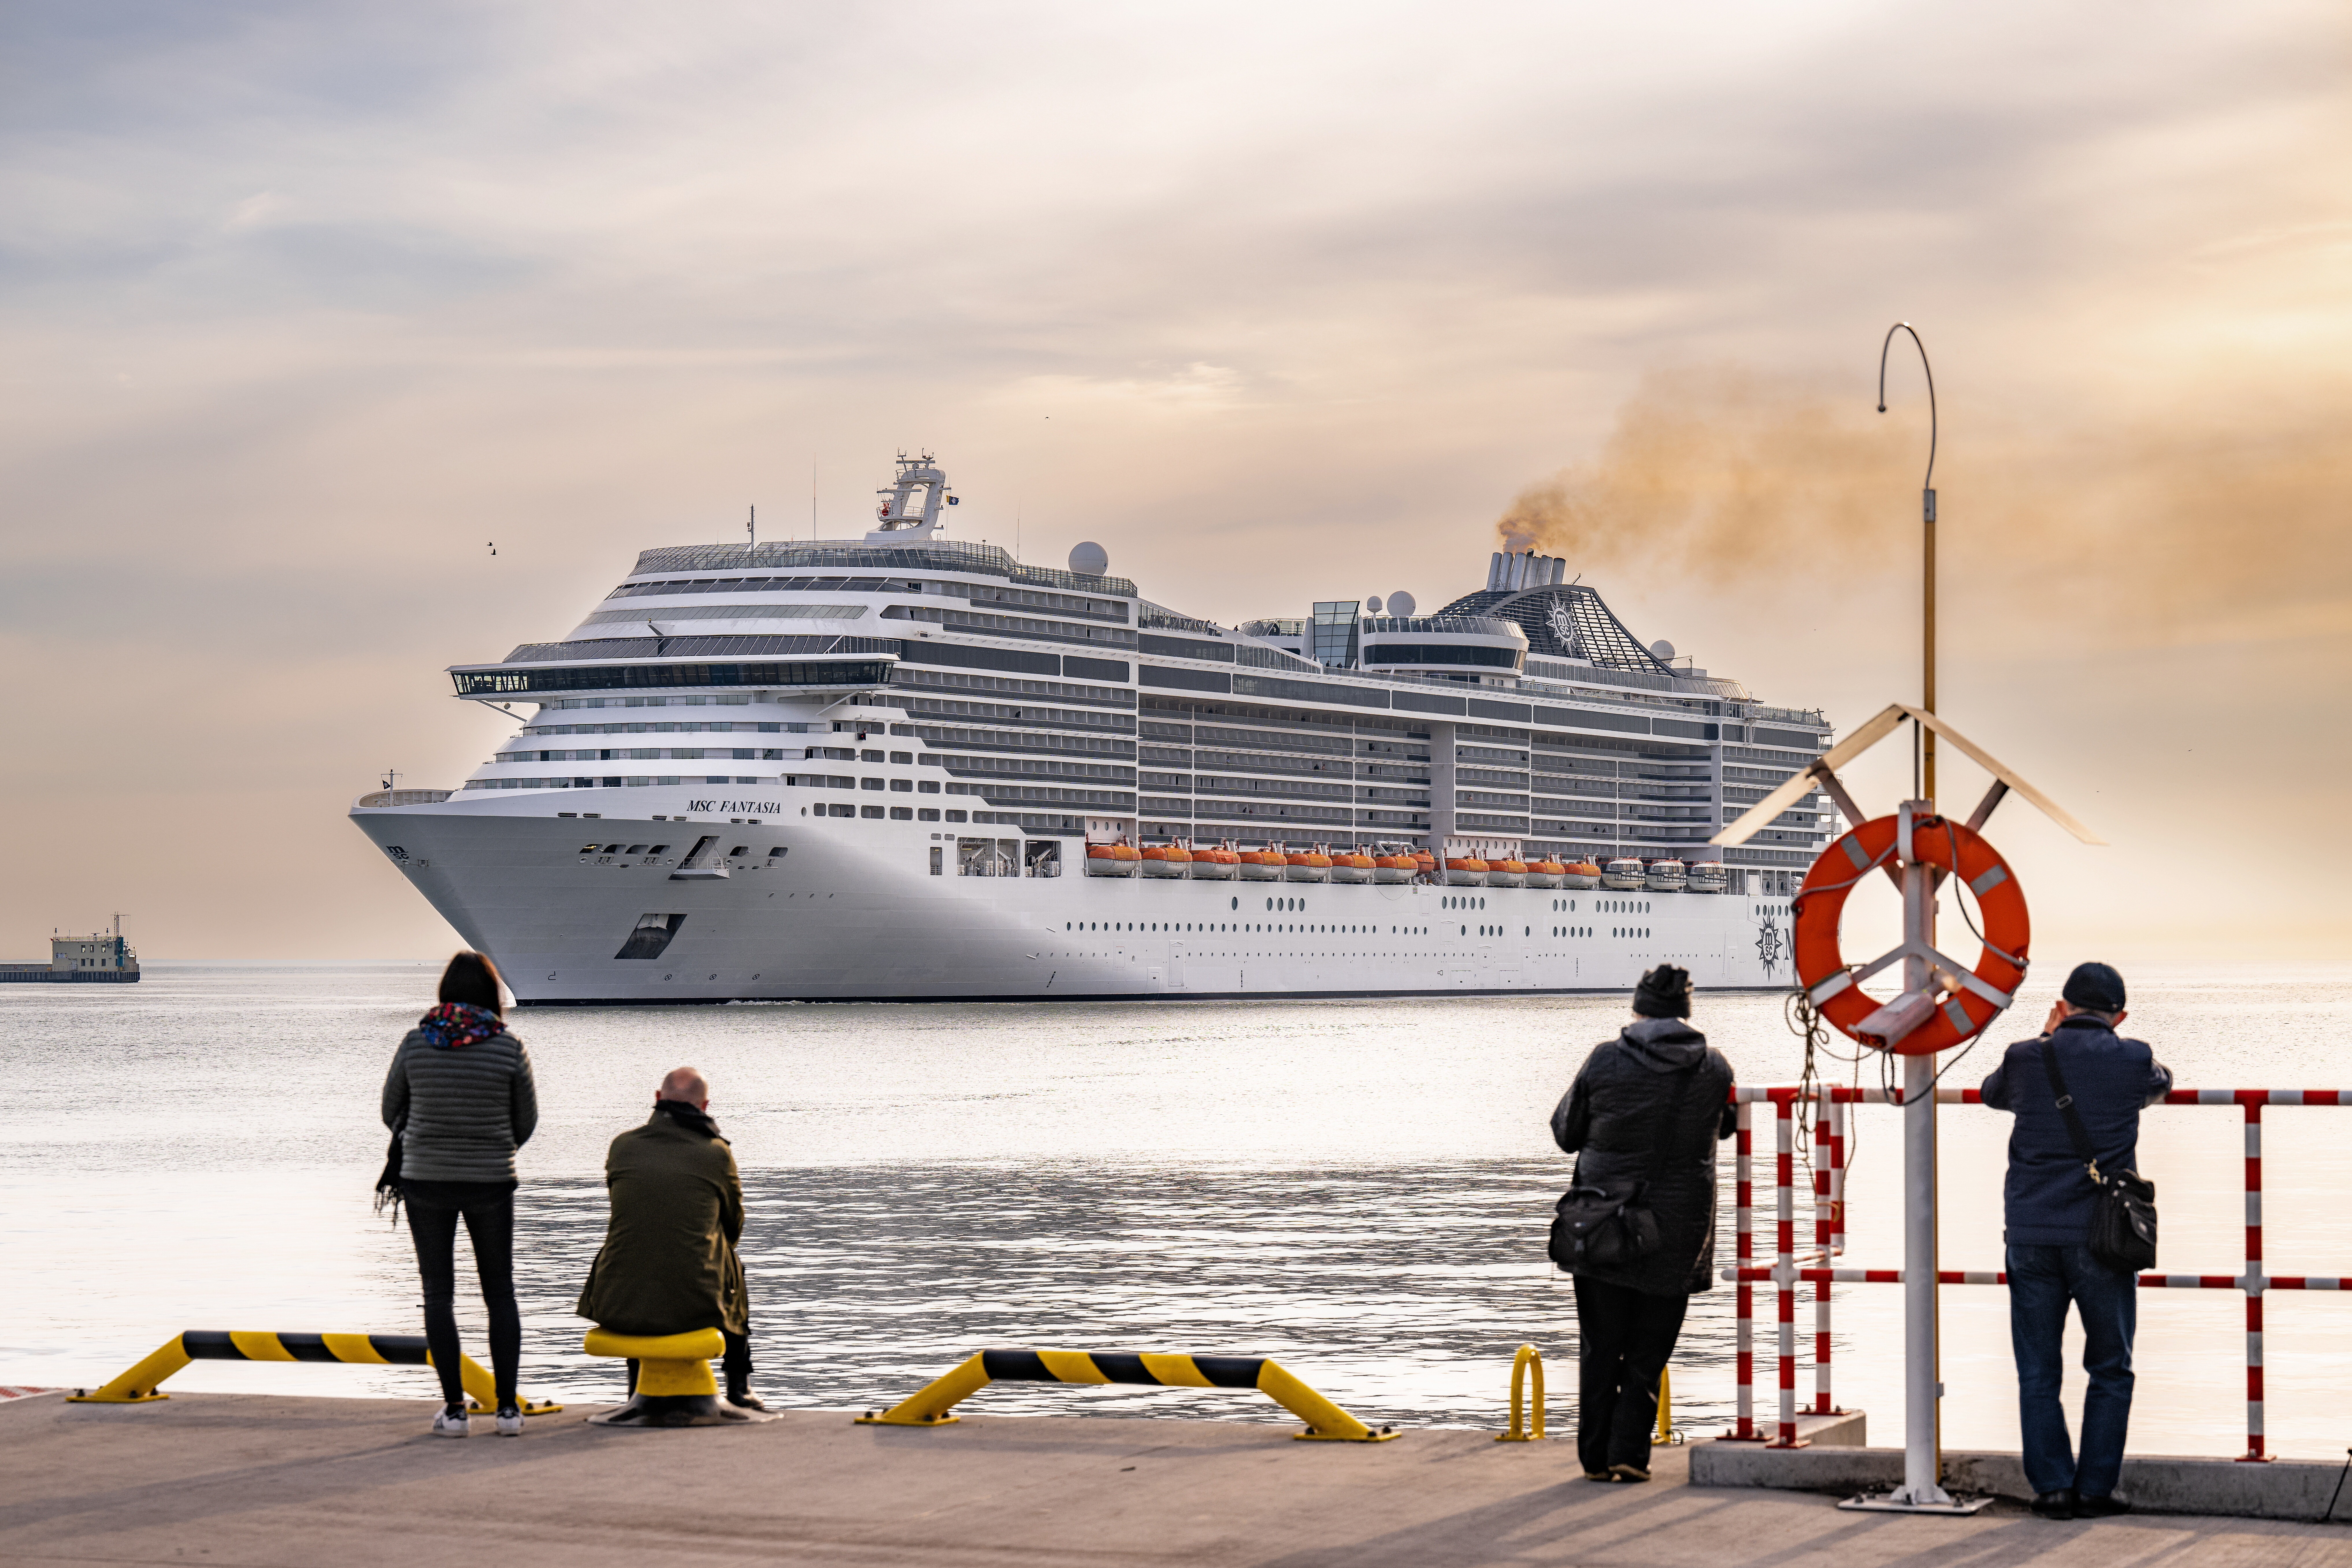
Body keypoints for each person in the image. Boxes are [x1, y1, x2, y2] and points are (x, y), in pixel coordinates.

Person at [1980, 961, 2172, 1521]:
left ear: (2060, 1006)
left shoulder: (2025, 1056)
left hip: (2030, 1234)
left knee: (2037, 1368)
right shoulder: (2133, 1056)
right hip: (2101, 1238)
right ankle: (2094, 1488)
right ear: (2119, 1015)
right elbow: (2160, 1082)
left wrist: (2044, 1037)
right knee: (2110, 1364)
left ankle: (2051, 1488)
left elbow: (1992, 1094)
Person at [1549, 963, 1736, 1482]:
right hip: (1677, 1231)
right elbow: (1726, 1128)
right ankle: (1629, 1454)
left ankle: (1594, 1458)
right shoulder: (1716, 1068)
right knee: (1649, 1352)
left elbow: (1566, 1131)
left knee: (1601, 1346)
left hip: (1602, 1225)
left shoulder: (1606, 1059)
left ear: (1638, 1011)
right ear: (1686, 1015)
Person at [381, 950, 539, 1438]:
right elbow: (526, 1122)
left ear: (445, 992)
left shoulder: (415, 1043)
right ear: (493, 995)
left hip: (425, 1179)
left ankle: (454, 1410)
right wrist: (490, 1142)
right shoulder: (509, 1047)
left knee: (438, 1294)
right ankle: (508, 1410)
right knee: (500, 1292)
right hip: (491, 1179)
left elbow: (391, 1111)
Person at [576, 1066, 758, 1410]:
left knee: (640, 1246)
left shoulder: (623, 1147)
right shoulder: (715, 1152)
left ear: (658, 1099)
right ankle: (739, 1385)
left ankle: (636, 1389)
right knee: (732, 1263)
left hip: (617, 1302)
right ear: (704, 1106)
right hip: (697, 1304)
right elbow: (733, 1227)